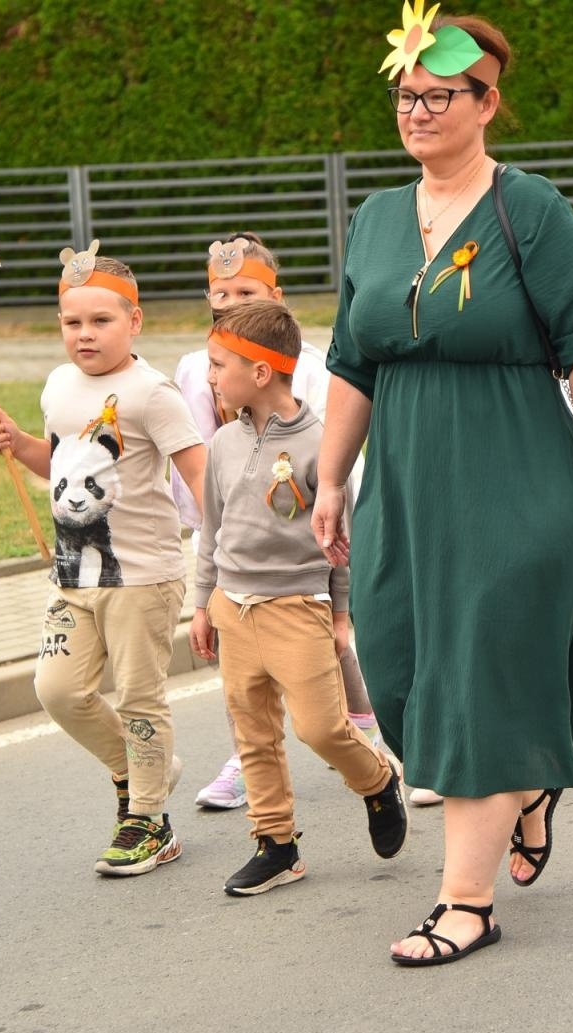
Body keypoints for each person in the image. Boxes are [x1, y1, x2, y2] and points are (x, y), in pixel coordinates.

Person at [315, 11, 573, 965]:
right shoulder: (374, 219)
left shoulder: (527, 209)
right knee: (404, 666)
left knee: (482, 675)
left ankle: (464, 900)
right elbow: (349, 361)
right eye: (407, 95)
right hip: (407, 487)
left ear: (487, 103)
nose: (417, 110)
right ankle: (527, 788)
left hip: (517, 475)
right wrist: (331, 480)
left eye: (439, 96)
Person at [0, 245, 207, 875]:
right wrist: (16, 441)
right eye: (71, 321)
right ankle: (139, 769)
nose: (84, 334)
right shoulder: (58, 384)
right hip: (73, 574)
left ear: (134, 322)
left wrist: (227, 554)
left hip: (143, 577)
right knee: (57, 690)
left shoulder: (151, 393)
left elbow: (200, 476)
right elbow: (61, 466)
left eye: (100, 321)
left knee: (140, 698)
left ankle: (150, 819)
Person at [188, 299, 407, 896]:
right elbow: (213, 528)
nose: (210, 377)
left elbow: (343, 541)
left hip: (297, 609)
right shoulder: (225, 442)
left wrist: (341, 615)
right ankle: (276, 844)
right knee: (252, 732)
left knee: (321, 729)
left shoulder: (320, 445)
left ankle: (377, 780)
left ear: (260, 373)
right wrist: (203, 601)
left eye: (218, 365)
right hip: (233, 607)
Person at [170, 233, 383, 814]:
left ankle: (371, 746)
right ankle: (269, 820)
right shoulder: (197, 370)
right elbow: (198, 454)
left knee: (320, 692)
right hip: (237, 559)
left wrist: (341, 600)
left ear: (276, 296)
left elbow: (330, 448)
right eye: (221, 291)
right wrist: (207, 584)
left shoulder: (311, 369)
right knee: (251, 706)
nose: (232, 299)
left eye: (247, 290)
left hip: (303, 550)